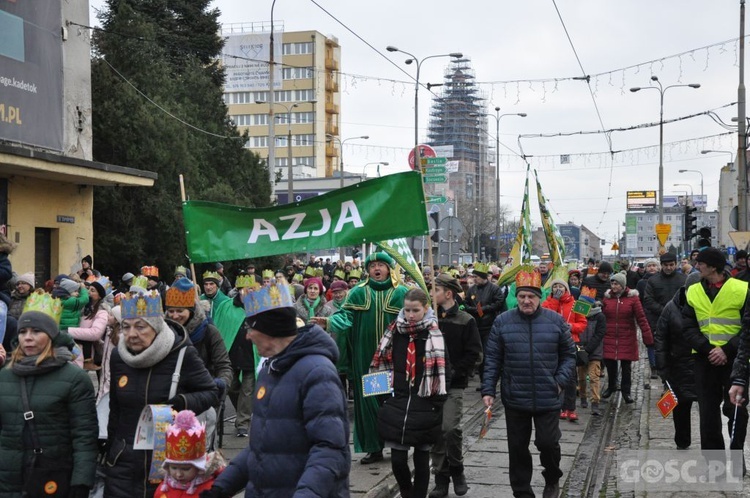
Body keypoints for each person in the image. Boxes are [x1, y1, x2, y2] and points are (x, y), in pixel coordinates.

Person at [202, 281, 350, 497]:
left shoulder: (318, 373)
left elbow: (329, 450)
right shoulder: (269, 371)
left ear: (270, 329)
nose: (248, 336)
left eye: (250, 328)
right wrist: (221, 487)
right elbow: (261, 448)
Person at [104, 289, 219, 498]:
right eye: (126, 327)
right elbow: (115, 409)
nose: (131, 334)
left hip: (169, 466)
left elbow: (211, 391)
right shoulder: (118, 356)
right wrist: (110, 454)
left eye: (140, 326)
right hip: (123, 462)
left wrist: (180, 404)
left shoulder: (182, 353)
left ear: (156, 327)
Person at [481, 268, 576, 498]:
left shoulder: (555, 321)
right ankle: (522, 491)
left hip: (548, 394)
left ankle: (552, 477)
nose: (526, 300)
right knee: (517, 448)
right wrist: (488, 389)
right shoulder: (503, 322)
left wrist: (559, 382)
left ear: (539, 298)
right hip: (516, 396)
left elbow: (569, 355)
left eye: (531, 296)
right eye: (522, 296)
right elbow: (492, 358)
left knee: (548, 443)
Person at [312, 252, 409, 464]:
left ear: (388, 268)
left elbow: (414, 318)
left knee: (394, 401)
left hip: (396, 358)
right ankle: (374, 447)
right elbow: (344, 317)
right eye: (373, 265)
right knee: (371, 402)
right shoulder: (358, 292)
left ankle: (398, 445)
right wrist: (327, 323)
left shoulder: (402, 292)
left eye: (381, 265)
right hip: (368, 359)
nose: (376, 268)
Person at [0, 292, 98, 497]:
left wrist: (80, 483)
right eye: (23, 331)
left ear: (52, 336)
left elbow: (84, 437)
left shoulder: (75, 379)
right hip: (8, 481)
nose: (27, 337)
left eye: (36, 331)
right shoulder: (5, 376)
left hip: (51, 480)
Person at [369, 288, 448, 498]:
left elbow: (444, 370)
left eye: (415, 310)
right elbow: (380, 362)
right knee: (397, 460)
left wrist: (436, 403)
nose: (410, 315)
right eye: (407, 310)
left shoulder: (434, 333)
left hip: (424, 401)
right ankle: (406, 490)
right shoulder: (394, 331)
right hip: (398, 400)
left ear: (426, 309)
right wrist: (384, 399)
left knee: (422, 459)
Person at [684, 248, 750, 452]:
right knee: (708, 413)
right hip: (704, 359)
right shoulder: (693, 290)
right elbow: (687, 326)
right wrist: (707, 348)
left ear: (713, 267)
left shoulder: (742, 289)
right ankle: (714, 465)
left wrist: (726, 349)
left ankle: (737, 456)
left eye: (700, 263)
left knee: (736, 409)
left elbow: (747, 329)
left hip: (735, 360)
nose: (696, 266)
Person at [429, 274, 481, 498]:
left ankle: (457, 470)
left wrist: (454, 371)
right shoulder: (430, 319)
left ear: (448, 293)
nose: (432, 294)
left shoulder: (465, 320)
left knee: (450, 428)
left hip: (453, 384)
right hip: (430, 385)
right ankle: (441, 478)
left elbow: (476, 354)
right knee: (436, 433)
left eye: (436, 290)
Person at [165, 278, 233, 449]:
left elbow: (224, 365)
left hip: (201, 400)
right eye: (171, 311)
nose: (174, 316)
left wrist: (219, 384)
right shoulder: (163, 333)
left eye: (180, 311)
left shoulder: (209, 332)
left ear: (192, 310)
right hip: (170, 400)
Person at [655, 275, 699, 449]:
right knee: (680, 405)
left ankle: (711, 444)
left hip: (703, 363)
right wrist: (662, 367)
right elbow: (661, 338)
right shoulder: (671, 308)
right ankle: (682, 440)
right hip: (678, 364)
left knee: (708, 407)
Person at [600, 273, 654, 404]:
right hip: (610, 336)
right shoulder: (607, 299)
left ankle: (626, 391)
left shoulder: (633, 299)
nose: (613, 286)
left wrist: (648, 338)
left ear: (623, 285)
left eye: (616, 284)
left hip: (627, 337)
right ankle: (611, 386)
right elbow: (601, 316)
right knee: (610, 365)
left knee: (626, 367)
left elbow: (641, 318)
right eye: (612, 283)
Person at [542, 279, 587, 422]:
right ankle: (559, 406)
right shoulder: (546, 303)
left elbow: (583, 323)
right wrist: (555, 300)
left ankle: (571, 407)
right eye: (555, 286)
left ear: (566, 288)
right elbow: (545, 318)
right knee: (555, 374)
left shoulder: (577, 304)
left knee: (571, 377)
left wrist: (571, 327)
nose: (557, 288)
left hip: (571, 342)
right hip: (552, 343)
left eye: (560, 286)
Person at [156, 410, 226, 497]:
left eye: (186, 469)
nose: (178, 474)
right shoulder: (164, 487)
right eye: (173, 468)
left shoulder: (210, 491)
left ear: (199, 468)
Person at [643, 253, 686, 382]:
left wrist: (677, 313)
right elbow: (648, 300)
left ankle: (678, 382)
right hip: (659, 323)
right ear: (661, 265)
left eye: (671, 265)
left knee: (679, 355)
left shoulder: (683, 279)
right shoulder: (653, 280)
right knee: (662, 354)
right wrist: (666, 312)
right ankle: (666, 383)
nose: (668, 268)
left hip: (680, 323)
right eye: (666, 265)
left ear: (676, 264)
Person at [463, 262, 506, 385]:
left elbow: (499, 303)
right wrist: (472, 310)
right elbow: (465, 303)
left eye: (476, 277)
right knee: (478, 355)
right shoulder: (472, 289)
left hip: (489, 326)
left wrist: (485, 309)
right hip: (476, 326)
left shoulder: (494, 289)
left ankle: (489, 380)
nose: (474, 279)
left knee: (488, 355)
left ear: (483, 277)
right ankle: (482, 381)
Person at [68, 277, 111, 372]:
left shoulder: (102, 312)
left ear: (99, 296)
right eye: (88, 289)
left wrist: (68, 331)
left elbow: (95, 333)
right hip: (74, 352)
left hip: (87, 354)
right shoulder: (83, 308)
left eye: (92, 290)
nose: (88, 292)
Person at [577, 288, 607, 415]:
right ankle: (583, 396)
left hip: (594, 351)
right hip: (579, 350)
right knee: (582, 377)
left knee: (594, 377)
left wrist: (588, 349)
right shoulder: (578, 314)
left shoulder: (599, 316)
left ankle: (595, 402)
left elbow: (600, 334)